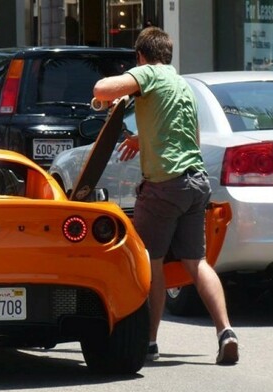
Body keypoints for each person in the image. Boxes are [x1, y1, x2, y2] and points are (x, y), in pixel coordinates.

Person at [92, 26, 239, 365]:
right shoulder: (183, 85)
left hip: (164, 187)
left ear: (141, 56)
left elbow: (102, 88)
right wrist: (143, 139)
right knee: (196, 262)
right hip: (195, 183)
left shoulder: (149, 73)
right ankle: (226, 331)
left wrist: (106, 97)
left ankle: (149, 342)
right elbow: (189, 138)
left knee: (151, 262)